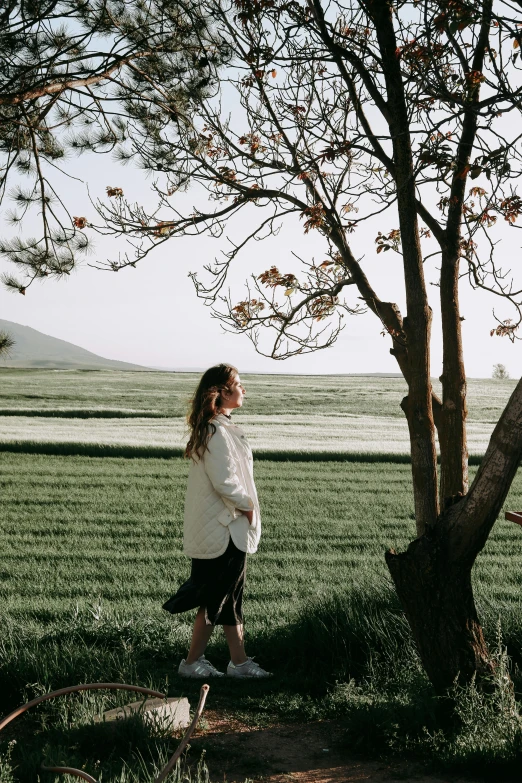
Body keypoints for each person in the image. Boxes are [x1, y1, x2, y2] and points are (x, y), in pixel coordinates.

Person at [163, 364, 271, 679]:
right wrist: (248, 507)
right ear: (223, 392)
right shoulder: (216, 430)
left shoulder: (215, 426)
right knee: (221, 597)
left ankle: (222, 663)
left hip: (222, 527)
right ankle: (215, 664)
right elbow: (225, 481)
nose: (244, 390)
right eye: (238, 384)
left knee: (223, 597)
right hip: (225, 528)